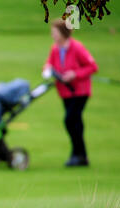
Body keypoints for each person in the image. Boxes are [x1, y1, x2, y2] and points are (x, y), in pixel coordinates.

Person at [43, 19, 98, 167]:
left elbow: (92, 67)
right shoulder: (55, 48)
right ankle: (79, 155)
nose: (53, 35)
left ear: (63, 32)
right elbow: (49, 64)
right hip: (65, 92)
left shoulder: (77, 47)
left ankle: (79, 154)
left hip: (80, 91)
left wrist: (75, 74)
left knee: (70, 120)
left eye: (55, 32)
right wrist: (48, 70)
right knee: (75, 123)